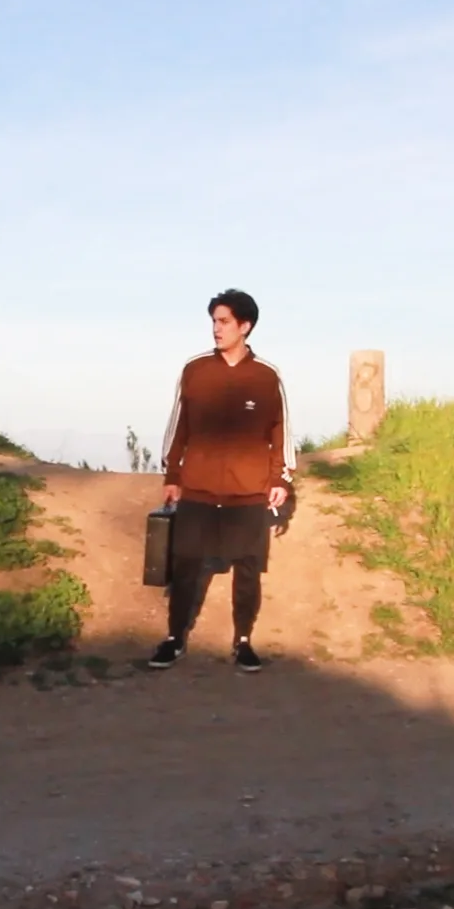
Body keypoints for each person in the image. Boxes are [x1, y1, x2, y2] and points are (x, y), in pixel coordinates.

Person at [149, 288, 294, 673]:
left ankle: (243, 641)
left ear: (245, 326)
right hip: (198, 487)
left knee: (247, 569)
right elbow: (179, 424)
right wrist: (172, 474)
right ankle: (174, 638)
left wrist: (280, 478)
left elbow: (281, 429)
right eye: (214, 321)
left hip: (247, 492)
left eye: (224, 322)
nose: (216, 328)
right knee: (185, 565)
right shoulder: (195, 370)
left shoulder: (267, 376)